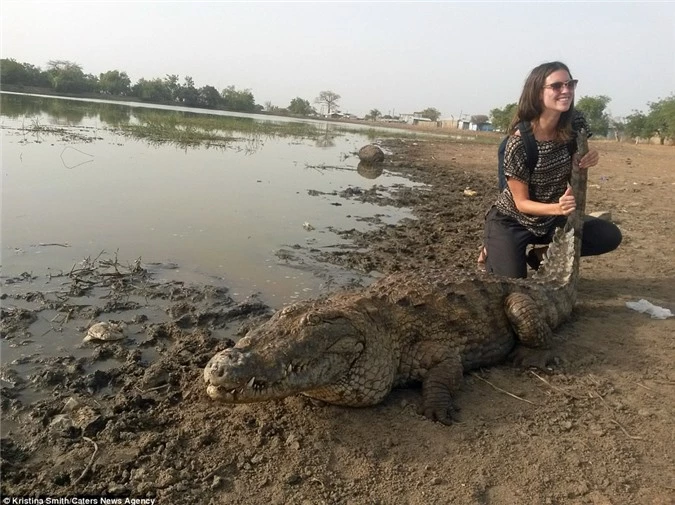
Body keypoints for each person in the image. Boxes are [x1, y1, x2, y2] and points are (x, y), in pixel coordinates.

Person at [481, 61, 622, 278]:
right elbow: (520, 203)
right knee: (513, 286)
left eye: (570, 84)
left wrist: (590, 156)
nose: (566, 91)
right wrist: (558, 208)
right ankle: (493, 244)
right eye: (556, 86)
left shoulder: (575, 124)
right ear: (538, 93)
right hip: (513, 220)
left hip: (552, 220)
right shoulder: (517, 143)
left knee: (608, 235)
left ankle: (542, 254)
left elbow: (580, 150)